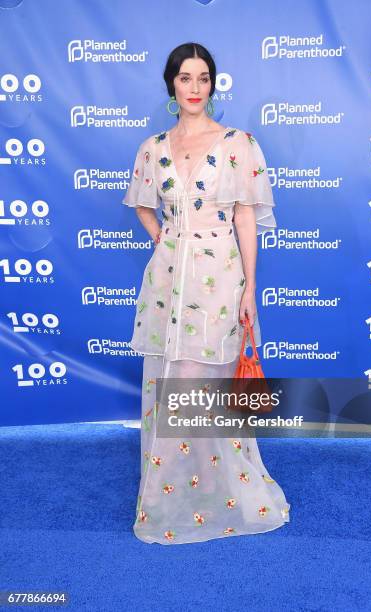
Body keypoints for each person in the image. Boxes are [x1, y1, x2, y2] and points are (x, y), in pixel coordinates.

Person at [122, 42, 291, 545]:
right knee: (167, 377)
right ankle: (166, 497)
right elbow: (141, 205)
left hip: (221, 274)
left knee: (207, 383)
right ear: (171, 84)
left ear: (212, 85)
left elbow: (245, 216)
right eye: (185, 78)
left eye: (203, 78)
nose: (195, 88)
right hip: (167, 281)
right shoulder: (153, 147)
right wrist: (168, 242)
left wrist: (250, 288)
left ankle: (223, 492)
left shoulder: (238, 143)